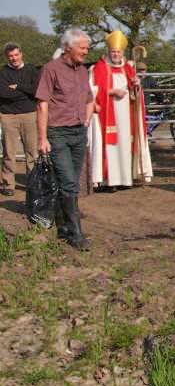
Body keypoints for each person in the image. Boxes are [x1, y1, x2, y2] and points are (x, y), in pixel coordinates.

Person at [35, 28, 95, 250]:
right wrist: (43, 138)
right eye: (82, 47)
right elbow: (42, 104)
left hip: (78, 132)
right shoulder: (50, 70)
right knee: (69, 181)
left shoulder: (82, 71)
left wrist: (86, 122)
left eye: (87, 48)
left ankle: (62, 225)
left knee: (71, 181)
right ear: (68, 46)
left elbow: (89, 98)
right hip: (57, 133)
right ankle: (75, 233)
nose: (86, 51)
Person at [87, 31, 152, 189]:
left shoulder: (128, 69)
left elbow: (135, 94)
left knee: (125, 145)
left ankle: (126, 179)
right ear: (108, 51)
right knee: (110, 147)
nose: (116, 54)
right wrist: (111, 91)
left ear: (123, 52)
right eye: (113, 51)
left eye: (118, 51)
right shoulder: (98, 68)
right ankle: (109, 181)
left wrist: (136, 87)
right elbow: (91, 91)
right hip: (107, 114)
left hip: (127, 115)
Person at [0, 42, 39, 196]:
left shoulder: (31, 70)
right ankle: (9, 184)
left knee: (32, 152)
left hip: (30, 114)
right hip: (8, 116)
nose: (14, 58)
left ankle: (33, 183)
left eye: (16, 55)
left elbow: (36, 91)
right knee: (9, 152)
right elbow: (3, 94)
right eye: (10, 56)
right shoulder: (2, 72)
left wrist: (18, 86)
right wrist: (25, 91)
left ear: (21, 54)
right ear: (6, 57)